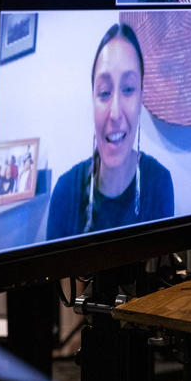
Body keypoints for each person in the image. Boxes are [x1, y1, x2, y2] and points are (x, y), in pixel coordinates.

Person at [46, 23, 174, 239]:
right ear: (92, 100)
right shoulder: (65, 191)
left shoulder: (159, 182)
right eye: (104, 92)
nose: (115, 113)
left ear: (141, 97)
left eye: (128, 89)